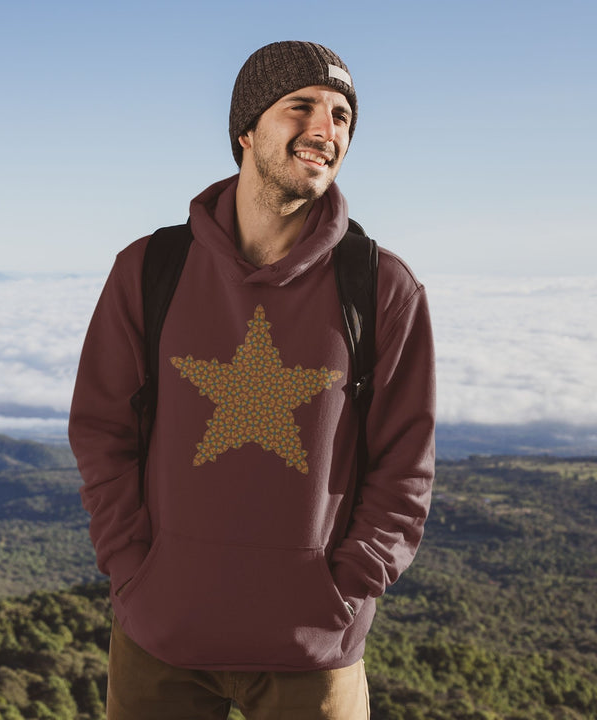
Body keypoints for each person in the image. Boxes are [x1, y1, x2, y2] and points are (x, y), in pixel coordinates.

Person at [69, 40, 436, 720]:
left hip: (314, 653)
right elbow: (101, 430)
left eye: (341, 117)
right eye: (301, 106)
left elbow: (405, 466)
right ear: (245, 129)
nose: (326, 129)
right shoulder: (149, 269)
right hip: (160, 641)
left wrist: (348, 590)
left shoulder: (381, 286)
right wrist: (132, 569)